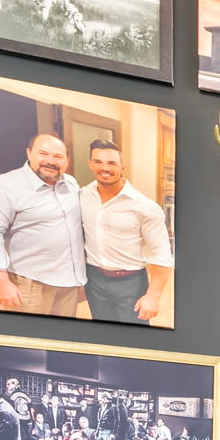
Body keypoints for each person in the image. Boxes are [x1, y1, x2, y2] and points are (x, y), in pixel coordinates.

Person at [0, 133, 86, 319]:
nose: (50, 161)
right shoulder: (4, 186)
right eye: (43, 153)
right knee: (27, 342)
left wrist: (80, 278)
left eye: (58, 156)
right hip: (27, 283)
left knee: (61, 339)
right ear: (29, 153)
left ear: (67, 160)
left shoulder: (71, 184)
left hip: (68, 282)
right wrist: (0, 281)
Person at [79, 139, 174, 326]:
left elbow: (162, 254)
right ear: (90, 164)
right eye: (98, 161)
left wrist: (153, 297)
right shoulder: (81, 196)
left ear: (123, 167)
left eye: (111, 163)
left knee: (134, 340)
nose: (104, 167)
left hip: (130, 283)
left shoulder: (145, 207)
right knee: (102, 334)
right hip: (93, 279)